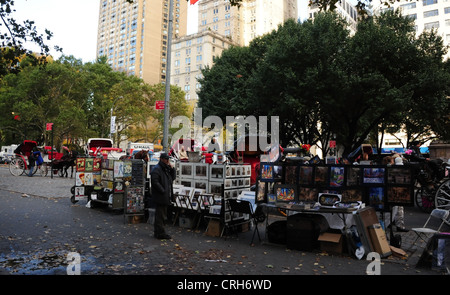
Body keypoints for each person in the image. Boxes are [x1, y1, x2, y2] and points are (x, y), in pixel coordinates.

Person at [150, 153, 176, 239]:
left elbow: (172, 178)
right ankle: (160, 233)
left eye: (167, 159)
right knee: (160, 215)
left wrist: (172, 169)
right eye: (165, 159)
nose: (167, 161)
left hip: (164, 195)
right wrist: (163, 190)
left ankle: (159, 232)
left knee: (161, 215)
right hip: (161, 196)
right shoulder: (157, 169)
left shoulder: (164, 168)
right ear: (161, 159)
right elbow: (155, 182)